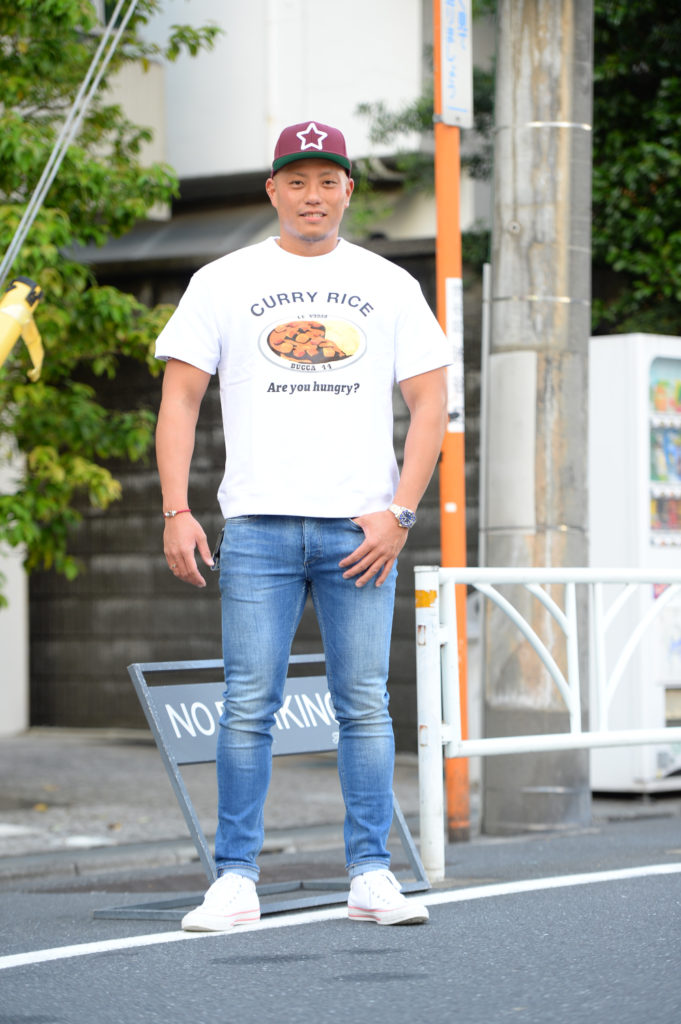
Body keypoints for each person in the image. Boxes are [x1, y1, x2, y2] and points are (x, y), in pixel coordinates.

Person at [155, 120, 450, 930]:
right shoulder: (223, 279)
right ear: (272, 190)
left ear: (347, 189)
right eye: (296, 181)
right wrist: (177, 510)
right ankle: (234, 879)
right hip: (257, 526)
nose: (311, 196)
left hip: (361, 532)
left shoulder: (389, 284)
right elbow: (179, 399)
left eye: (326, 182)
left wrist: (400, 515)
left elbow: (430, 403)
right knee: (248, 704)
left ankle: (371, 874)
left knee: (364, 704)